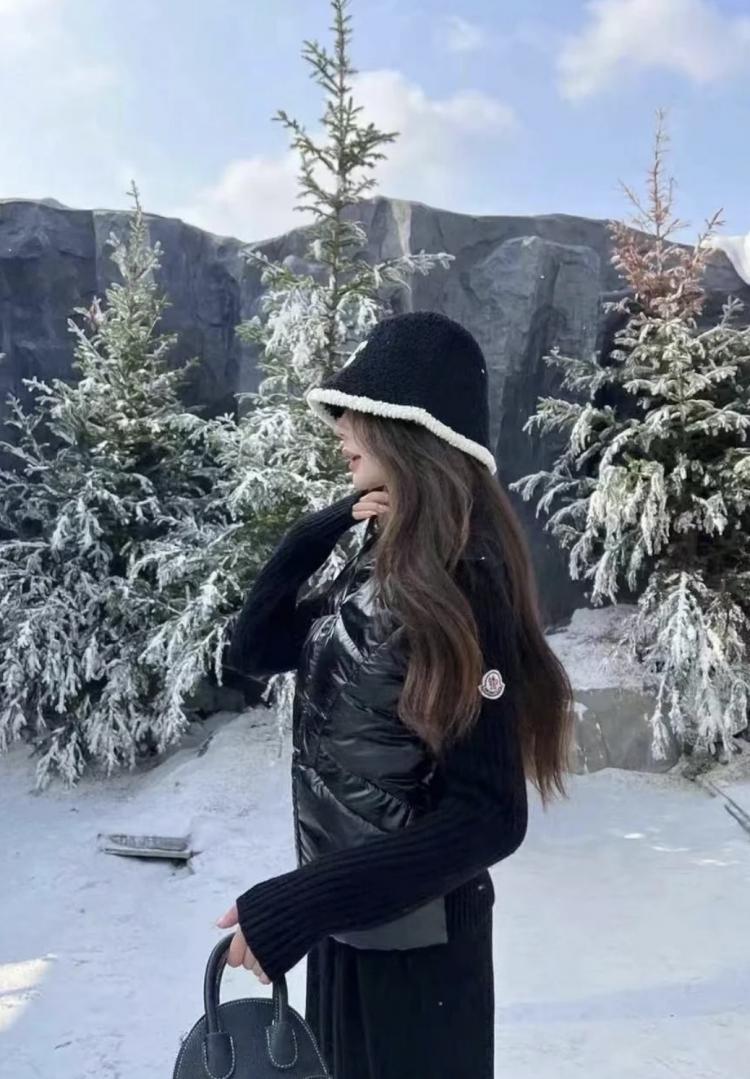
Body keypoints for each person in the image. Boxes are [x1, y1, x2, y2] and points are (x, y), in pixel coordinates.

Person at [216, 311, 574, 1079]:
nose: (340, 428)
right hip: (349, 931)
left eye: (358, 412)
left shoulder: (465, 577)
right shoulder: (381, 565)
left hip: (421, 961)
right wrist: (312, 534)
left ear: (413, 430)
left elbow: (491, 814)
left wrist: (305, 900)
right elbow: (255, 651)